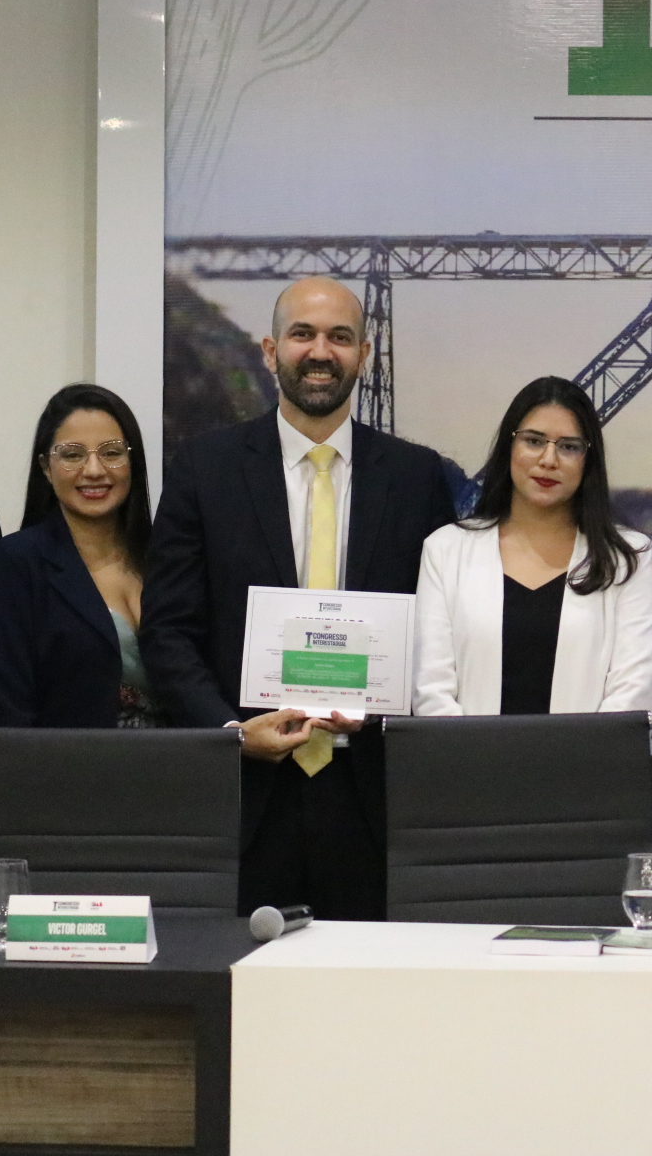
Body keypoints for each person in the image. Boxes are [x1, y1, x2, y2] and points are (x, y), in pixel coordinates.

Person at [141, 276, 456, 920]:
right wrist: (230, 735)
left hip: (374, 796)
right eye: (302, 334)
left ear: (363, 354)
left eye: (339, 337)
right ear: (270, 350)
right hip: (247, 794)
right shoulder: (204, 469)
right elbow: (168, 630)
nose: (320, 351)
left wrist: (389, 713)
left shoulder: (418, 477)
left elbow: (438, 635)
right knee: (240, 975)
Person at [413, 377, 652, 717]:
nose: (548, 459)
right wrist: (474, 751)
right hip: (466, 752)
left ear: (588, 459)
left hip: (591, 754)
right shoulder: (445, 550)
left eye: (569, 447)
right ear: (509, 447)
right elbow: (431, 692)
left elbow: (634, 695)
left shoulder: (629, 558)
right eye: (533, 441)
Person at [0, 384, 160, 729]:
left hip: (179, 759)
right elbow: (4, 710)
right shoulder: (16, 563)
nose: (94, 470)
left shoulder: (165, 557)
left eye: (112, 452)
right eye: (73, 455)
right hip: (64, 762)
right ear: (46, 467)